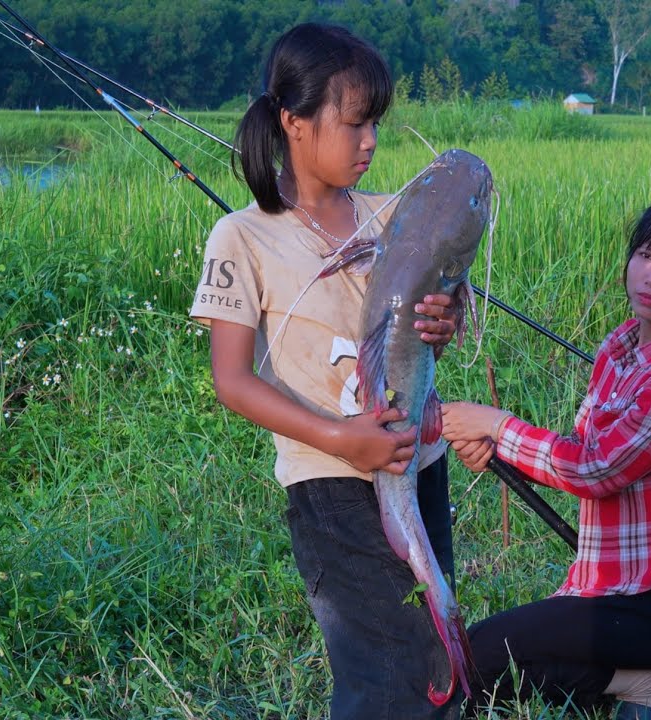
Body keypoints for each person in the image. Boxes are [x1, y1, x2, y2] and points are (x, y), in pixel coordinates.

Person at [189, 23, 463, 719]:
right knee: (385, 664)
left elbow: (426, 334)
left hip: (418, 463)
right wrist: (342, 439)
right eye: (354, 122)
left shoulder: (393, 216)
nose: (371, 140)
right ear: (295, 123)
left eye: (377, 123)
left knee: (434, 637)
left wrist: (444, 321)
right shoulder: (244, 236)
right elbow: (233, 379)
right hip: (332, 482)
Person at [440, 191, 651, 719]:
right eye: (646, 255)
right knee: (479, 665)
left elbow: (598, 469)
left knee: (479, 657)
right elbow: (582, 453)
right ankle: (643, 682)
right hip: (603, 589)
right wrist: (496, 453)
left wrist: (497, 425)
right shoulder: (620, 348)